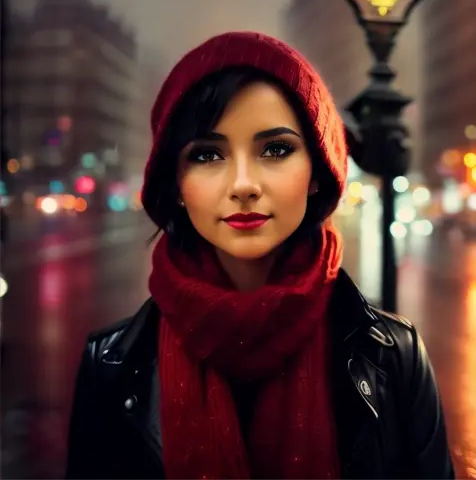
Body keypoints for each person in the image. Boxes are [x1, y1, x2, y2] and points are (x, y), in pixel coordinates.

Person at [65, 32, 454, 479]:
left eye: (275, 149)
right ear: (175, 184)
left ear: (317, 173)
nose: (244, 184)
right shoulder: (111, 365)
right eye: (208, 154)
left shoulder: (394, 357)